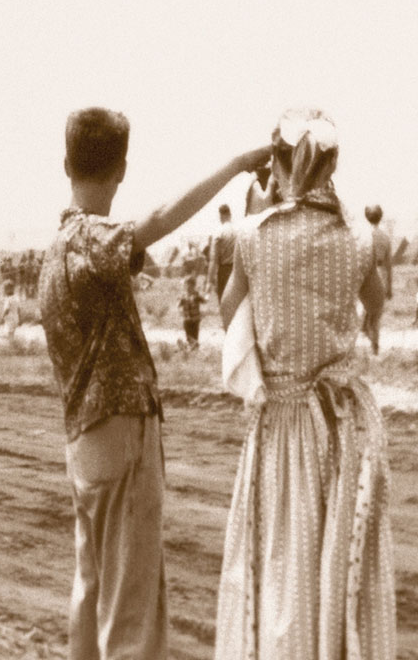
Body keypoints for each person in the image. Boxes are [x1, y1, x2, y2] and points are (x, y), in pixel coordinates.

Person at [38, 106, 269, 660]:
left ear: (65, 162)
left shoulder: (56, 249)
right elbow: (162, 218)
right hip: (121, 431)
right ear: (121, 169)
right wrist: (237, 165)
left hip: (83, 438)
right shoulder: (96, 242)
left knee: (91, 593)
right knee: (132, 609)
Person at [215, 109, 394, 657]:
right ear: (333, 163)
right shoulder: (363, 238)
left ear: (277, 165)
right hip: (345, 424)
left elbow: (230, 321)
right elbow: (375, 307)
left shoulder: (250, 238)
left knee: (283, 562)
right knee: (342, 563)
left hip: (286, 423)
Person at [204, 203, 236, 298]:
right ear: (230, 215)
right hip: (239, 271)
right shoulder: (240, 230)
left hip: (225, 272)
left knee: (225, 304)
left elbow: (213, 260)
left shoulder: (218, 233)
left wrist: (209, 282)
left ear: (220, 215)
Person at [178, 274, 204, 349]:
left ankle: (195, 347)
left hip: (195, 319)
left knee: (195, 334)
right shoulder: (183, 296)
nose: (188, 287)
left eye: (190, 285)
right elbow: (178, 306)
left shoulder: (197, 295)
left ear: (194, 286)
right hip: (186, 319)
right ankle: (190, 346)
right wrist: (180, 302)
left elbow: (204, 301)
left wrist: (199, 297)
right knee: (188, 335)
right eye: (186, 285)